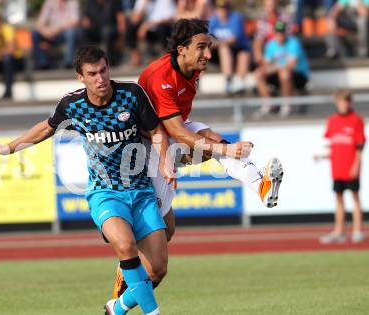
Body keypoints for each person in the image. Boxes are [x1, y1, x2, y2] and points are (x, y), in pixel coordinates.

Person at [0, 46, 176, 315]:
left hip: (141, 190)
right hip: (105, 192)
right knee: (126, 246)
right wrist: (7, 148)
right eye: (92, 74)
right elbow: (46, 128)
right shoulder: (73, 105)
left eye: (104, 70)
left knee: (158, 269)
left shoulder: (131, 94)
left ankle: (117, 307)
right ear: (80, 77)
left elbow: (156, 131)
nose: (100, 78)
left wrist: (165, 159)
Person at [113, 17, 284, 299]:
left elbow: (181, 127)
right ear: (181, 49)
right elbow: (177, 132)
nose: (208, 54)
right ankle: (120, 297)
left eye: (209, 47)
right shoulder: (161, 77)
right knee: (158, 240)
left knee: (215, 139)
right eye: (202, 47)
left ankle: (261, 186)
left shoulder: (191, 68)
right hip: (149, 149)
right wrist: (223, 150)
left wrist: (216, 147)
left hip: (171, 134)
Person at [316, 89, 366, 244]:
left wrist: (356, 165)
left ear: (350, 103)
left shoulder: (356, 120)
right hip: (337, 168)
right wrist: (322, 155)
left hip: (351, 167)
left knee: (355, 197)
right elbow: (331, 145)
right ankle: (339, 231)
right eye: (340, 102)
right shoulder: (332, 120)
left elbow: (360, 146)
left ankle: (357, 230)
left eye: (346, 101)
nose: (343, 105)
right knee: (338, 198)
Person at [254, 20, 310, 117]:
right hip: (279, 73)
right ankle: (269, 104)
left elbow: (292, 65)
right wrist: (270, 68)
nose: (280, 34)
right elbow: (266, 64)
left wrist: (275, 67)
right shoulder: (270, 45)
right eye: (278, 32)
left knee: (284, 74)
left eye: (282, 32)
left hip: (298, 75)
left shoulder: (293, 43)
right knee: (259, 73)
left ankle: (286, 105)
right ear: (274, 33)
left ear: (285, 32)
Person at [209, 0, 250, 95]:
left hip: (238, 49)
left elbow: (234, 39)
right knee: (224, 49)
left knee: (243, 53)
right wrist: (220, 43)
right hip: (220, 53)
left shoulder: (236, 18)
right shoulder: (213, 20)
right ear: (217, 9)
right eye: (220, 8)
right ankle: (228, 80)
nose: (223, 10)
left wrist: (217, 42)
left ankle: (241, 82)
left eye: (225, 8)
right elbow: (208, 39)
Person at [31, 0, 80, 69]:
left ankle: (68, 62)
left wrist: (57, 29)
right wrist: (45, 31)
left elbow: (75, 21)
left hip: (63, 33)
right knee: (35, 34)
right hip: (50, 33)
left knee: (71, 33)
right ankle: (41, 63)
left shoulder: (73, 2)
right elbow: (40, 23)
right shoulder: (49, 2)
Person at [81, 0, 126, 66]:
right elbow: (86, 19)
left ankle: (107, 62)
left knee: (106, 32)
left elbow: (121, 19)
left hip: (112, 30)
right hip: (96, 30)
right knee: (83, 32)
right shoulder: (91, 2)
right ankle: (88, 60)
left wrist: (121, 37)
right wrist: (85, 22)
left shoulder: (115, 2)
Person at [253, 0, 293, 67]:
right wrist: (258, 52)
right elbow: (259, 38)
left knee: (284, 74)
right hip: (268, 53)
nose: (270, 4)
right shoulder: (261, 19)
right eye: (268, 3)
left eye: (272, 2)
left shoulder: (285, 18)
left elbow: (288, 37)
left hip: (283, 51)